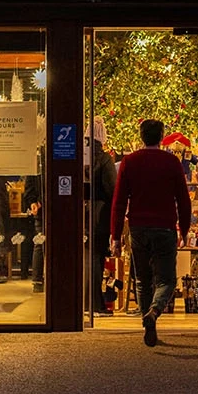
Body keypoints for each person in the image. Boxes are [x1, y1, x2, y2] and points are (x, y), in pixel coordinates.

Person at [111, 119, 192, 347]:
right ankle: (155, 311)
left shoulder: (129, 162)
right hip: (165, 227)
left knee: (142, 279)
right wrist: (184, 229)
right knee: (166, 279)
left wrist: (116, 235)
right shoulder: (172, 162)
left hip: (138, 228)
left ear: (141, 135)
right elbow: (183, 200)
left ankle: (150, 324)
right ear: (161, 136)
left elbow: (119, 202)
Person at [87, 117, 118, 316]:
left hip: (80, 213)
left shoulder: (78, 154)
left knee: (83, 256)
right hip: (99, 213)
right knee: (96, 257)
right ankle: (96, 303)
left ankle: (81, 301)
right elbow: (112, 189)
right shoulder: (104, 159)